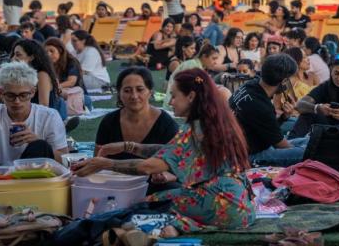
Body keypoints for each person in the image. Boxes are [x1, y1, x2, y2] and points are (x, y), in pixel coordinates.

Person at [74, 68, 255, 235]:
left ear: (191, 96)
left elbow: (148, 167)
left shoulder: (193, 128)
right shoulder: (213, 121)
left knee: (144, 204)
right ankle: (178, 226)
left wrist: (105, 163)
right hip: (241, 207)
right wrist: (128, 146)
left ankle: (170, 226)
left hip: (219, 203)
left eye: (174, 96)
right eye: (127, 90)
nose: (170, 102)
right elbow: (173, 152)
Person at [230, 54, 308, 166]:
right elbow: (281, 145)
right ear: (284, 81)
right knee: (308, 151)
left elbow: (267, 128)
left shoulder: (250, 85)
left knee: (309, 141)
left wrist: (284, 117)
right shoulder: (261, 106)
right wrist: (296, 150)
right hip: (247, 156)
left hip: (251, 145)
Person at [95, 67, 179, 161]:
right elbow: (97, 160)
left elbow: (176, 163)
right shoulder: (109, 121)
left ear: (150, 92)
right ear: (119, 94)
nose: (134, 96)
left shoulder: (166, 124)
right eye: (127, 91)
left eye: (140, 89)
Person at [0, 61, 68, 164]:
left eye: (23, 95)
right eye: (10, 95)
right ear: (1, 94)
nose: (17, 101)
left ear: (32, 92)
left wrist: (36, 140)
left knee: (40, 146)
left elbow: (65, 161)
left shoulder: (49, 116)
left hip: (32, 174)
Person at [292, 53, 339, 138]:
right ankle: (290, 143)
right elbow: (300, 105)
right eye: (336, 73)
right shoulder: (325, 86)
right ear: (331, 70)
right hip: (327, 128)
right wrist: (317, 108)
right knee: (308, 112)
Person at [12, 39, 62, 114]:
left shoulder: (42, 75)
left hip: (43, 119)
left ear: (31, 57)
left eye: (18, 55)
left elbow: (44, 107)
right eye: (13, 54)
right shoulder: (21, 74)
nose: (13, 58)